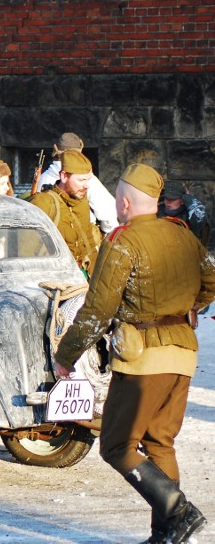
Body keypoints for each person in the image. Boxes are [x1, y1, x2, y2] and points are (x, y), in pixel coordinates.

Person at [53, 163, 215, 544]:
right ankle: (168, 535)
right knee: (159, 442)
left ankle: (179, 512)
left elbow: (97, 310)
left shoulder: (122, 241)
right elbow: (211, 281)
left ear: (124, 202)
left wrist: (66, 355)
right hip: (183, 354)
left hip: (144, 359)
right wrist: (189, 306)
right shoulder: (184, 235)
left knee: (116, 444)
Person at [29, 151, 101, 276]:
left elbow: (88, 241)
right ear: (64, 176)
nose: (87, 185)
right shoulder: (44, 202)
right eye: (81, 180)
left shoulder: (82, 201)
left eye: (88, 179)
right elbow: (28, 249)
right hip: (55, 280)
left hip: (83, 276)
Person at [38, 132, 118, 234]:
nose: (86, 184)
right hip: (81, 236)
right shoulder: (84, 176)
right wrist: (104, 232)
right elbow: (108, 212)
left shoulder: (44, 177)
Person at [158, 180, 210, 246]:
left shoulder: (190, 215)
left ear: (182, 200)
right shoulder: (157, 210)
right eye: (166, 198)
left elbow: (200, 219)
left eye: (173, 198)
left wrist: (188, 197)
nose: (168, 201)